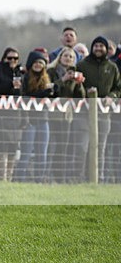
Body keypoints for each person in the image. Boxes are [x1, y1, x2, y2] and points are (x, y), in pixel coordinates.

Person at [76, 36, 121, 182]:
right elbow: (77, 85)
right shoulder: (82, 65)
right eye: (96, 46)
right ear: (92, 47)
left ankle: (97, 179)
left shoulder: (112, 67)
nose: (98, 48)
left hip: (104, 114)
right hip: (84, 114)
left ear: (106, 49)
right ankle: (79, 178)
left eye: (102, 46)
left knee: (100, 149)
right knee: (82, 147)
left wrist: (112, 96)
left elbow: (118, 87)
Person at [15, 51, 57, 182]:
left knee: (42, 154)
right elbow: (24, 97)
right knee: (26, 153)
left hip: (43, 120)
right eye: (36, 62)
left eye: (41, 62)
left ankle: (39, 180)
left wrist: (53, 92)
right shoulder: (25, 78)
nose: (38, 65)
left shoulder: (47, 79)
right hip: (29, 120)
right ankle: (19, 179)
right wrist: (42, 94)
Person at [47, 47, 86, 183]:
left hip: (67, 116)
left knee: (64, 147)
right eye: (66, 55)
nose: (68, 58)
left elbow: (80, 97)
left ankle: (61, 178)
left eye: (71, 57)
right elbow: (49, 89)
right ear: (60, 56)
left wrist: (79, 84)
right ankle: (48, 175)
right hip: (51, 114)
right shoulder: (51, 71)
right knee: (51, 146)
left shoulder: (74, 74)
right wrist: (63, 79)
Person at [0, 47, 24, 181]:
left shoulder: (20, 72)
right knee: (1, 149)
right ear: (4, 58)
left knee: (13, 150)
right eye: (9, 58)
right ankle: (1, 178)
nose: (12, 61)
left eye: (15, 58)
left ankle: (9, 177)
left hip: (16, 118)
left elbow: (23, 96)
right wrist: (10, 84)